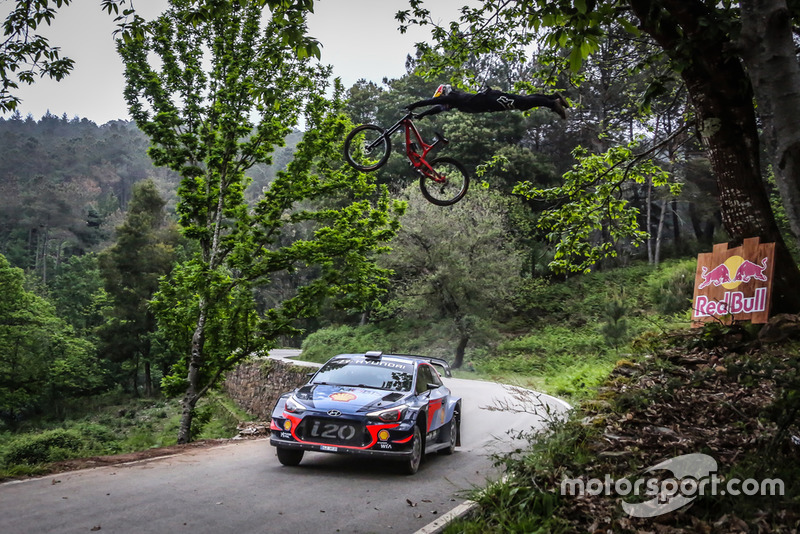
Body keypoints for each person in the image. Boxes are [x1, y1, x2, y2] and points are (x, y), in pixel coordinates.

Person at [406, 84, 569, 119]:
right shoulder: (453, 103)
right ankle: (552, 98)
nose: (443, 105)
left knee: (523, 102)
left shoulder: (452, 97)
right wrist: (422, 115)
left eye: (441, 100)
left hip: (491, 99)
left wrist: (415, 105)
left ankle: (552, 103)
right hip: (492, 103)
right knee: (522, 101)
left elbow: (429, 102)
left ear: (444, 94)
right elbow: (435, 108)